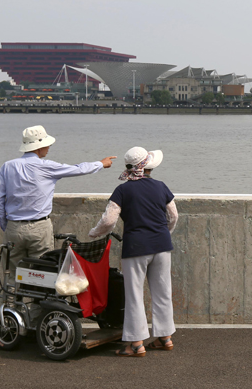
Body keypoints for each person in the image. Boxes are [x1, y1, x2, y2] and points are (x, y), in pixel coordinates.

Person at [89, 147, 178, 357]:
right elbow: (173, 216)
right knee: (163, 292)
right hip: (162, 245)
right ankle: (165, 338)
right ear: (148, 166)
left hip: (136, 247)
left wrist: (94, 233)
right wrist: (163, 233)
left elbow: (109, 220)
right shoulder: (161, 186)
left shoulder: (122, 190)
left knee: (135, 295)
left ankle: (137, 344)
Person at [0, 125, 115, 268]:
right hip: (39, 227)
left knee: (12, 272)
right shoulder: (46, 166)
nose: (49, 147)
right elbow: (78, 169)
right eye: (47, 144)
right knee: (41, 271)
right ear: (39, 147)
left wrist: (7, 226)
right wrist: (101, 164)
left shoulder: (7, 166)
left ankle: (13, 284)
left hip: (14, 226)